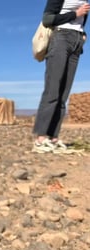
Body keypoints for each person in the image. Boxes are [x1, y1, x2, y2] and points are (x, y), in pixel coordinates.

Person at [32, 0, 90, 153]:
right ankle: (40, 138)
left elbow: (82, 20)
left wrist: (82, 34)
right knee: (53, 89)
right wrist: (75, 14)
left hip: (76, 42)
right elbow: (48, 19)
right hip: (61, 38)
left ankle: (53, 137)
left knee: (64, 93)